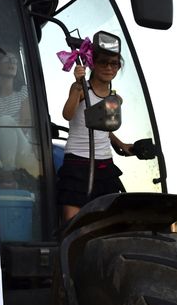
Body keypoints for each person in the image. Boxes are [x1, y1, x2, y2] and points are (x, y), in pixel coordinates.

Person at [57, 42, 133, 222]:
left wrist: (121, 145)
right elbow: (67, 115)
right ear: (92, 64)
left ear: (118, 67)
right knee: (72, 220)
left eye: (113, 63)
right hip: (78, 161)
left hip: (104, 163)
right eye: (103, 62)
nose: (108, 67)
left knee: (106, 219)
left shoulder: (115, 98)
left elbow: (104, 129)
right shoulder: (81, 89)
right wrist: (77, 85)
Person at [0, 53, 37, 180]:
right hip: (0, 150)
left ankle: (9, 171)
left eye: (14, 61)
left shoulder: (24, 92)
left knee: (5, 120)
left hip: (24, 148)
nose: (12, 63)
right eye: (7, 60)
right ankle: (2, 166)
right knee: (2, 123)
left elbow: (25, 123)